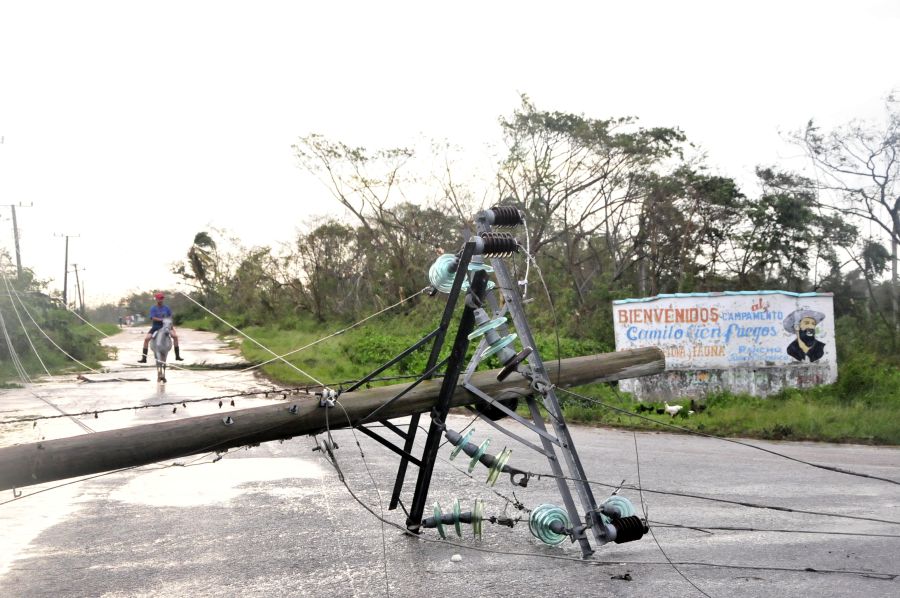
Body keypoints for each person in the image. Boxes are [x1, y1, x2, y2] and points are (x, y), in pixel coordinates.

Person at [138, 292, 184, 362]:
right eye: (159, 298)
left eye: (162, 298)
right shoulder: (153, 308)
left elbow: (170, 316)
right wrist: (162, 320)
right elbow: (153, 317)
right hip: (156, 326)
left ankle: (177, 356)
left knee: (175, 337)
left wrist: (170, 325)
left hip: (166, 326)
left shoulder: (167, 308)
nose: (161, 300)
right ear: (156, 299)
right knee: (146, 339)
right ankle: (144, 358)